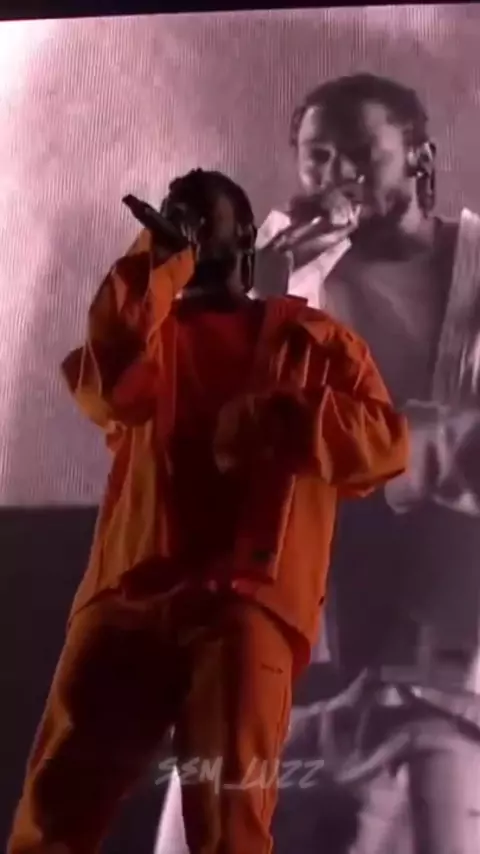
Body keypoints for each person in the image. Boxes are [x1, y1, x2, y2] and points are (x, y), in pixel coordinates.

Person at [7, 167, 407, 854]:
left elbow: (385, 447)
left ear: (245, 236)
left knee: (229, 829)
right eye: (174, 210)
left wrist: (292, 415)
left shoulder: (315, 342)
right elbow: (108, 385)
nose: (182, 216)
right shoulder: (149, 334)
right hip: (128, 601)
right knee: (52, 819)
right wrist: (154, 263)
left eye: (200, 212)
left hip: (243, 610)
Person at [255, 73, 480, 854]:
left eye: (361, 153)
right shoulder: (280, 272)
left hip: (451, 630)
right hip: (326, 618)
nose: (338, 176)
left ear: (421, 157)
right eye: (318, 157)